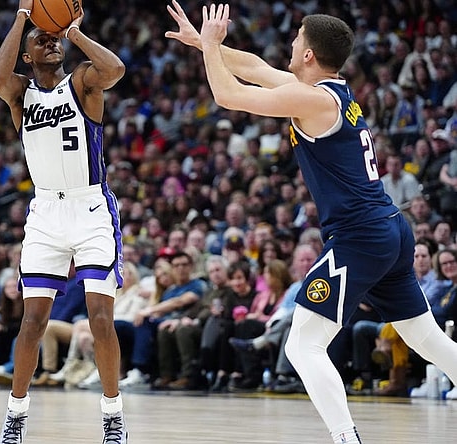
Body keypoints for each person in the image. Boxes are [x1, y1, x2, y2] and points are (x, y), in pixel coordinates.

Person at [165, 3, 457, 442]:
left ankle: (345, 438)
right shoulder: (328, 92)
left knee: (303, 346)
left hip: (360, 236)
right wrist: (205, 44)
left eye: (297, 38)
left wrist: (210, 47)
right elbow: (256, 68)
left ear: (308, 54)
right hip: (388, 230)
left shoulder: (312, 99)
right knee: (427, 338)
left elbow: (228, 96)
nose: (291, 42)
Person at [0, 0, 127, 441]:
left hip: (90, 209)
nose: (49, 42)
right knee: (32, 323)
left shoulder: (83, 82)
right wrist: (23, 16)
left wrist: (72, 32)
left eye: (53, 40)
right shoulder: (20, 94)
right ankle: (15, 416)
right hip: (46, 213)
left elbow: (116, 69)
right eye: (41, 40)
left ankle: (113, 417)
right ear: (27, 56)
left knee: (100, 318)